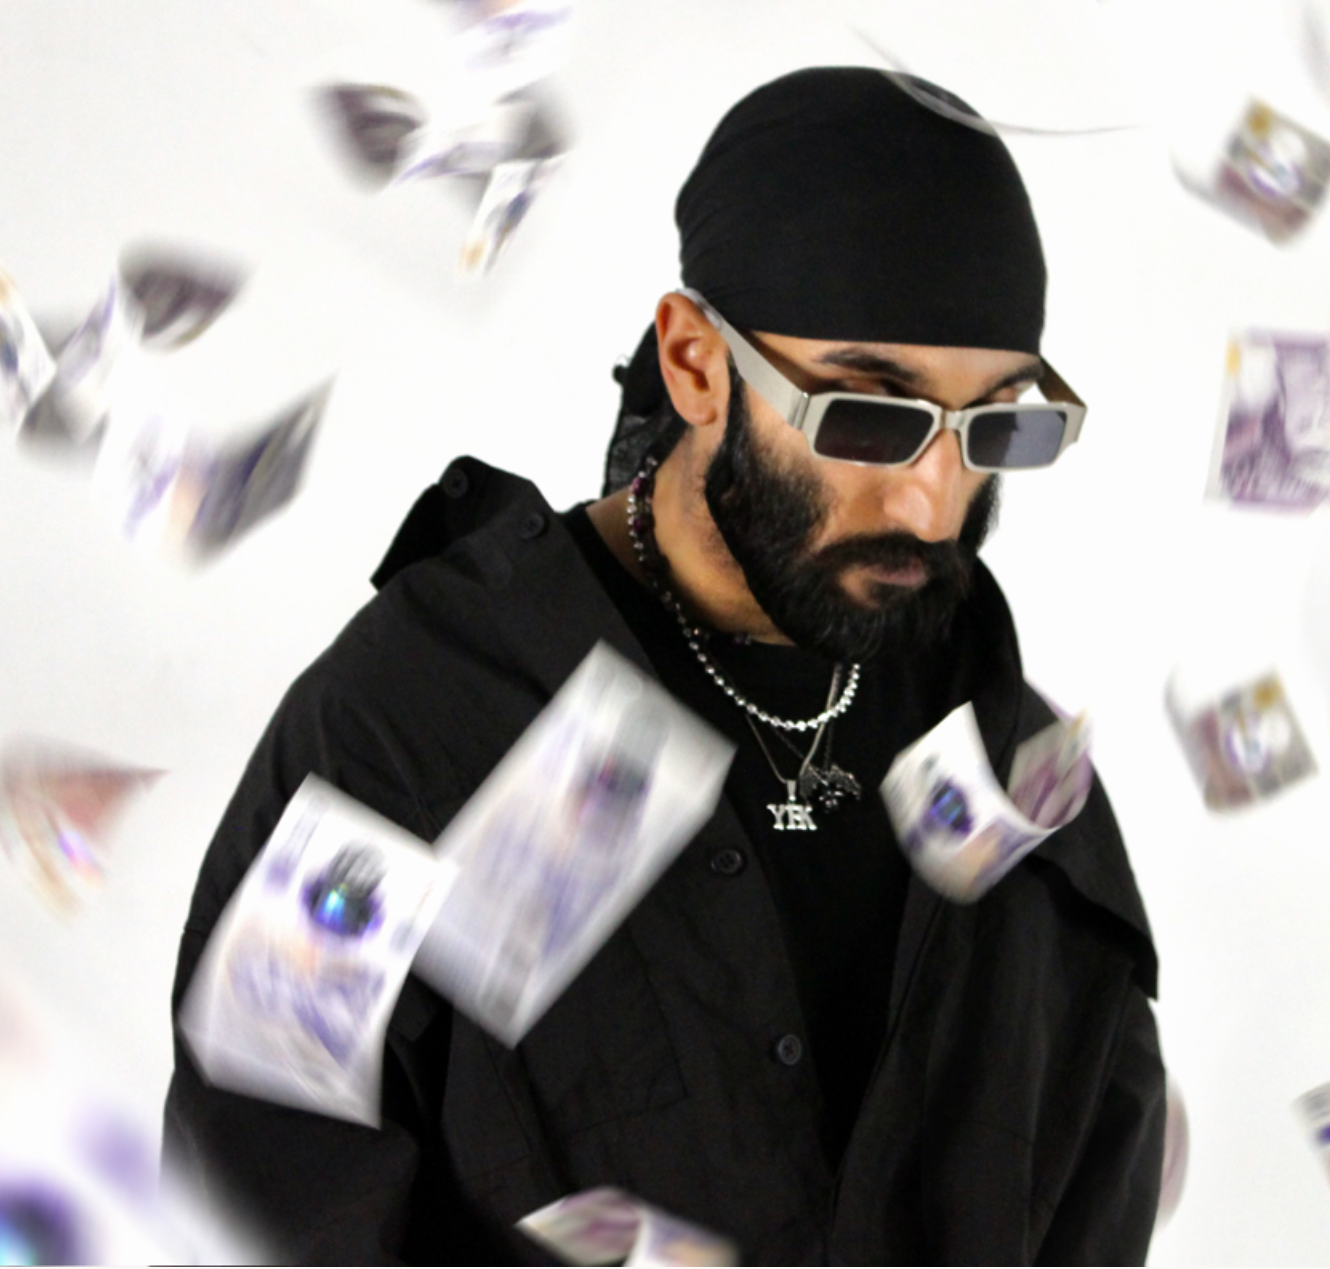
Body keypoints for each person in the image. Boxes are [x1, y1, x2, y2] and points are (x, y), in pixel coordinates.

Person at [164, 66, 1165, 1265]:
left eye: (995, 425)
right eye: (867, 415)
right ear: (695, 364)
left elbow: (1093, 1186)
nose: (931, 501)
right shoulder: (416, 727)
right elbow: (256, 1191)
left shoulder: (1014, 779)